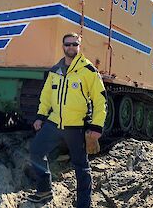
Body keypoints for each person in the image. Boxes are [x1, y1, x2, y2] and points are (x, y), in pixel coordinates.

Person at [27, 32, 107, 208]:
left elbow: (100, 99)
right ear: (63, 46)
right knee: (36, 151)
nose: (71, 47)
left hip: (76, 126)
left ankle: (83, 204)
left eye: (74, 44)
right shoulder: (55, 70)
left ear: (79, 46)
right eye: (68, 44)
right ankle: (44, 191)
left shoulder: (88, 70)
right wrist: (41, 116)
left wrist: (96, 126)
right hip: (54, 123)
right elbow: (46, 95)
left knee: (81, 167)